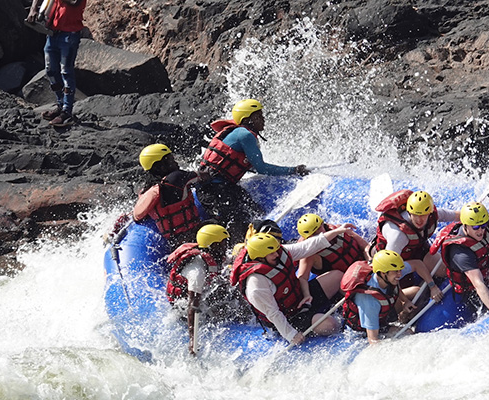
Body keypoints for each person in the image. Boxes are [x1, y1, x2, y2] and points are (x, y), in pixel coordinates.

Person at [197, 99, 309, 239]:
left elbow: (249, 166)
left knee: (255, 210)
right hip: (213, 190)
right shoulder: (245, 135)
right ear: (248, 119)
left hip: (225, 187)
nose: (263, 119)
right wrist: (294, 170)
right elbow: (261, 168)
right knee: (235, 222)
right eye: (259, 116)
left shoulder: (239, 133)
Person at [229, 225, 355, 345]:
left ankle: (356, 306)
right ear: (260, 258)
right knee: (330, 325)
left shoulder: (277, 252)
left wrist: (336, 232)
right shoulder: (256, 285)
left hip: (300, 297)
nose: (277, 255)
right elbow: (273, 313)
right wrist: (290, 334)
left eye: (276, 250)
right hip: (289, 317)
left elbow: (306, 247)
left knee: (338, 276)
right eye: (272, 254)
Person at [165, 223, 241, 355]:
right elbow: (192, 306)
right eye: (223, 243)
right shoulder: (197, 270)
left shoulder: (213, 254)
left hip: (201, 295)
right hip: (183, 307)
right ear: (214, 245)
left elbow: (230, 260)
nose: (226, 246)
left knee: (228, 284)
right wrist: (193, 342)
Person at [372, 189, 457, 305]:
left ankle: (426, 281)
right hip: (394, 260)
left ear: (430, 213)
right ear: (409, 212)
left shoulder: (435, 214)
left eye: (423, 215)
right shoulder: (398, 236)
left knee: (444, 271)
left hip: (416, 250)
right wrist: (404, 300)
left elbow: (458, 215)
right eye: (415, 215)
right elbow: (387, 269)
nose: (419, 219)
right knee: (411, 296)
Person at [130, 144, 202, 249]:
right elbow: (204, 175)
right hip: (195, 236)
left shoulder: (148, 190)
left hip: (174, 244)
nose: (176, 163)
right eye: (171, 160)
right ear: (160, 166)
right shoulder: (175, 178)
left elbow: (137, 216)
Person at [27, 0, 87, 128]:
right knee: (50, 70)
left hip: (70, 33)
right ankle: (60, 104)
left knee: (66, 71)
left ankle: (67, 111)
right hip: (53, 33)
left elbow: (74, 2)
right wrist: (33, 9)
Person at [341, 250, 419, 345]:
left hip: (381, 314)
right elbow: (373, 339)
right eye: (396, 272)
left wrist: (405, 301)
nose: (400, 274)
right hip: (362, 331)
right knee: (408, 333)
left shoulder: (388, 276)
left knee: (416, 291)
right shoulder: (370, 301)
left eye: (400, 270)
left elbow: (418, 264)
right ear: (382, 273)